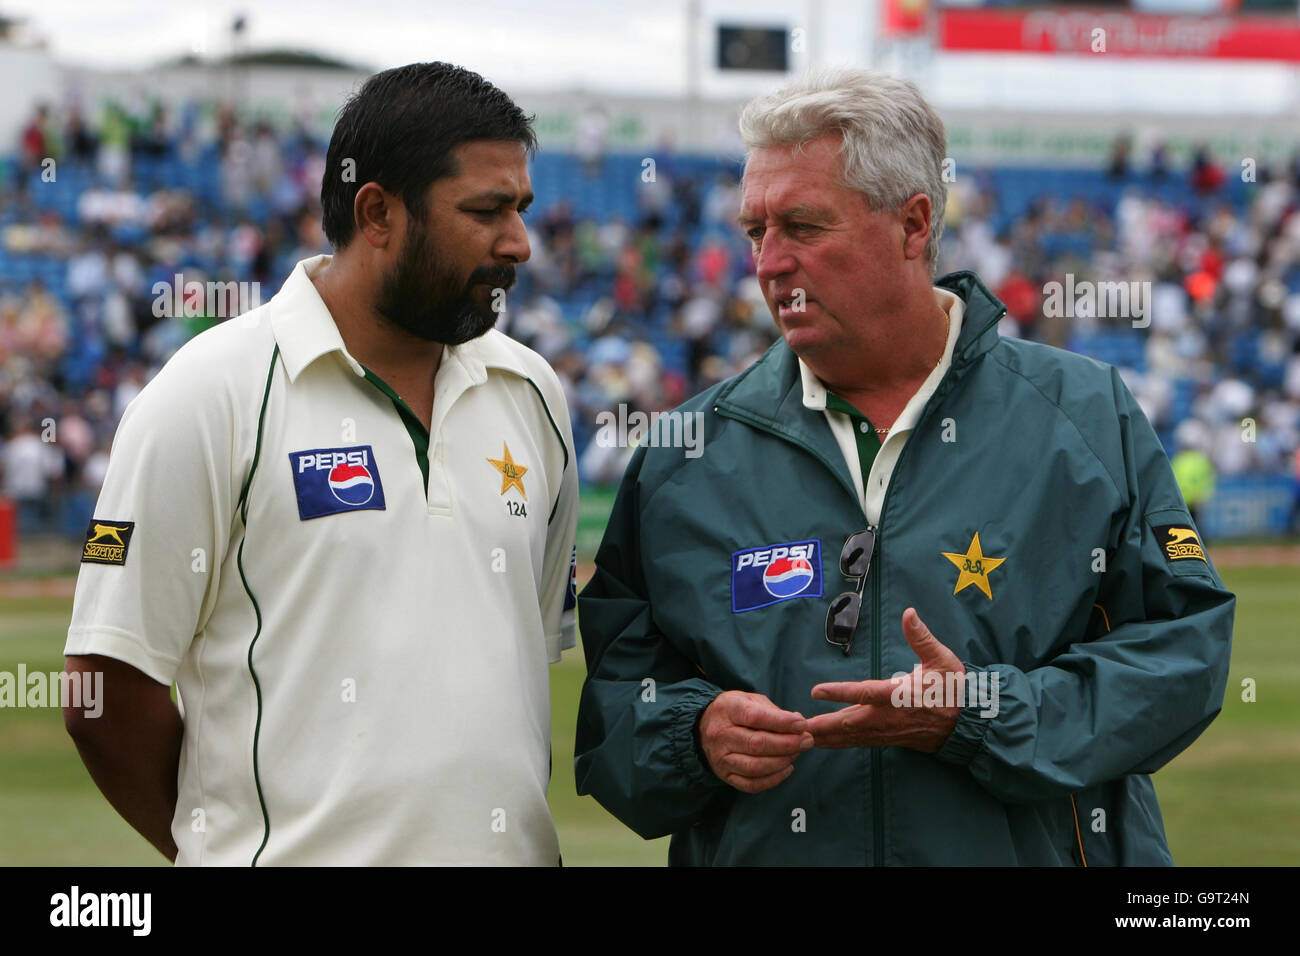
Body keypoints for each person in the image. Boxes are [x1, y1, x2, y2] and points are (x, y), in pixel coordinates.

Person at [574, 68, 1235, 866]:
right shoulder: (685, 454)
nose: (770, 262)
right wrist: (691, 736)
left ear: (914, 224)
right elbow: (614, 711)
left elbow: (1183, 656)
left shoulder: (1083, 414)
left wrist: (982, 714)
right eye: (755, 231)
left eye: (804, 226)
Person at [63, 62, 579, 866]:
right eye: (485, 211)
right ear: (376, 211)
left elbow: (523, 660)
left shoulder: (532, 392)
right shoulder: (208, 394)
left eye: (521, 208)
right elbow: (101, 689)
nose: (518, 241)